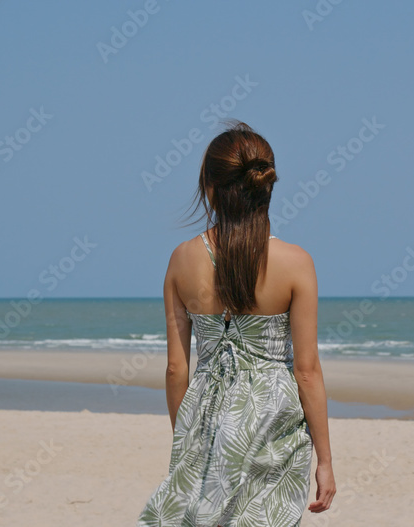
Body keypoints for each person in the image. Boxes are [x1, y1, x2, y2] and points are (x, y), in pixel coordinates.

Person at [137, 121, 335, 526]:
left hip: (205, 415)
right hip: (273, 420)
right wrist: (326, 461)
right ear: (266, 184)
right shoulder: (296, 263)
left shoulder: (181, 259)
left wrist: (185, 439)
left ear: (209, 185)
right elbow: (307, 371)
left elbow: (176, 368)